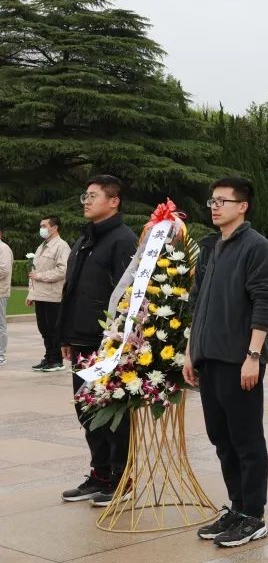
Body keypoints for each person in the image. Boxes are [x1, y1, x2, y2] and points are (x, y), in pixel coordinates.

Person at [187, 177, 268, 547]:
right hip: (209, 357)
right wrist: (191, 351)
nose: (215, 206)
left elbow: (264, 302)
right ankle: (237, 508)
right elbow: (197, 302)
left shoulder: (257, 248)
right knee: (221, 438)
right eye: (213, 200)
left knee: (246, 439)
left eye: (223, 201)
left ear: (243, 206)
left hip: (240, 360)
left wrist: (253, 356)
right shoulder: (211, 248)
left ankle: (253, 515)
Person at [59, 175, 138, 506]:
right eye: (85, 196)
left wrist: (120, 343)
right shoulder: (84, 239)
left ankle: (122, 478)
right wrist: (65, 335)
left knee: (112, 412)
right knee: (87, 410)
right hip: (80, 340)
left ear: (114, 201)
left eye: (93, 196)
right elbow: (72, 290)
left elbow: (130, 296)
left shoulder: (123, 240)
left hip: (107, 343)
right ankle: (100, 473)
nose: (86, 201)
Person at [26, 216, 71, 372]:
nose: (42, 229)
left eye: (44, 225)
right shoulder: (41, 246)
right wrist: (31, 294)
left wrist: (40, 277)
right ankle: (49, 357)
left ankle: (56, 360)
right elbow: (34, 272)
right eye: (41, 226)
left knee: (53, 329)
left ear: (54, 228)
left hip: (53, 295)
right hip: (40, 295)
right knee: (44, 329)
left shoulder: (62, 246)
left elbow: (62, 270)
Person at [0, 224, 10, 367]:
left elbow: (4, 269)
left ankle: (1, 355)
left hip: (0, 292)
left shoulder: (3, 248)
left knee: (0, 325)